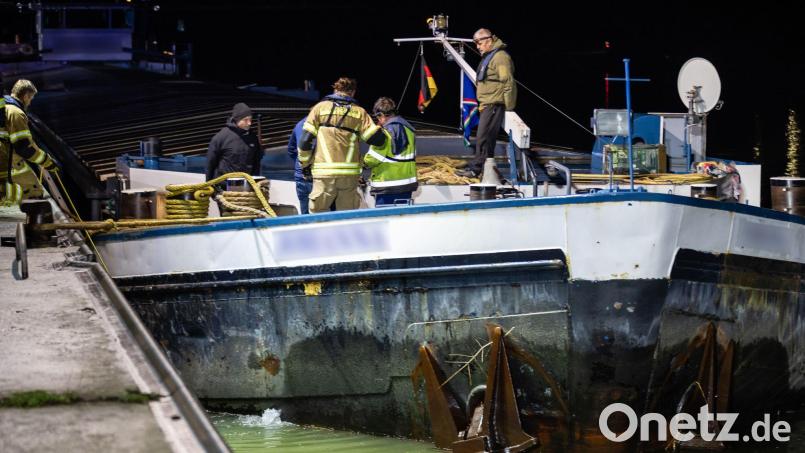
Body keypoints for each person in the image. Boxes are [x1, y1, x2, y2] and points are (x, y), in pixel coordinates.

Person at [297, 77, 386, 213]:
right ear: (353, 92)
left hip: (323, 174)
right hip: (349, 176)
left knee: (318, 216)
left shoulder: (319, 109)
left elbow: (304, 142)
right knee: (347, 216)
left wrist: (305, 164)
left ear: (335, 89)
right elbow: (378, 140)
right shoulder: (359, 112)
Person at [459, 28, 517, 178]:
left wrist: (508, 107)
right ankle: (484, 167)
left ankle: (475, 169)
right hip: (486, 104)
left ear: (488, 40)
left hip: (494, 104)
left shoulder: (500, 57)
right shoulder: (490, 56)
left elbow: (508, 82)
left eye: (479, 43)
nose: (477, 46)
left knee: (483, 137)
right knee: (486, 138)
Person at [0, 79, 58, 206]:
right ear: (25, 96)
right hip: (8, 160)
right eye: (31, 98)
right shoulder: (16, 113)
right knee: (34, 191)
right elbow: (23, 148)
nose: (30, 102)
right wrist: (47, 162)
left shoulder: (5, 106)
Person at [363, 97, 418, 206]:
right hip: (407, 185)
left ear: (381, 115)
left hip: (386, 186)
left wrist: (362, 163)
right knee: (401, 219)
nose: (378, 121)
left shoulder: (384, 133)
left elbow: (372, 159)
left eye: (377, 117)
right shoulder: (410, 130)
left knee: (386, 219)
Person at [205, 102, 262, 181]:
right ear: (237, 119)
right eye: (245, 120)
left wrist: (255, 182)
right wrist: (208, 184)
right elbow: (210, 163)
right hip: (223, 186)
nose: (249, 123)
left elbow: (257, 162)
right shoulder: (221, 137)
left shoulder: (252, 137)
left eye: (250, 119)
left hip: (246, 185)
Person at [287, 117, 313, 214]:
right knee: (321, 214)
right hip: (316, 178)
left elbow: (291, 150)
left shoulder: (299, 124)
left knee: (305, 214)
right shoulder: (321, 127)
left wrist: (299, 163)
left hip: (300, 177)